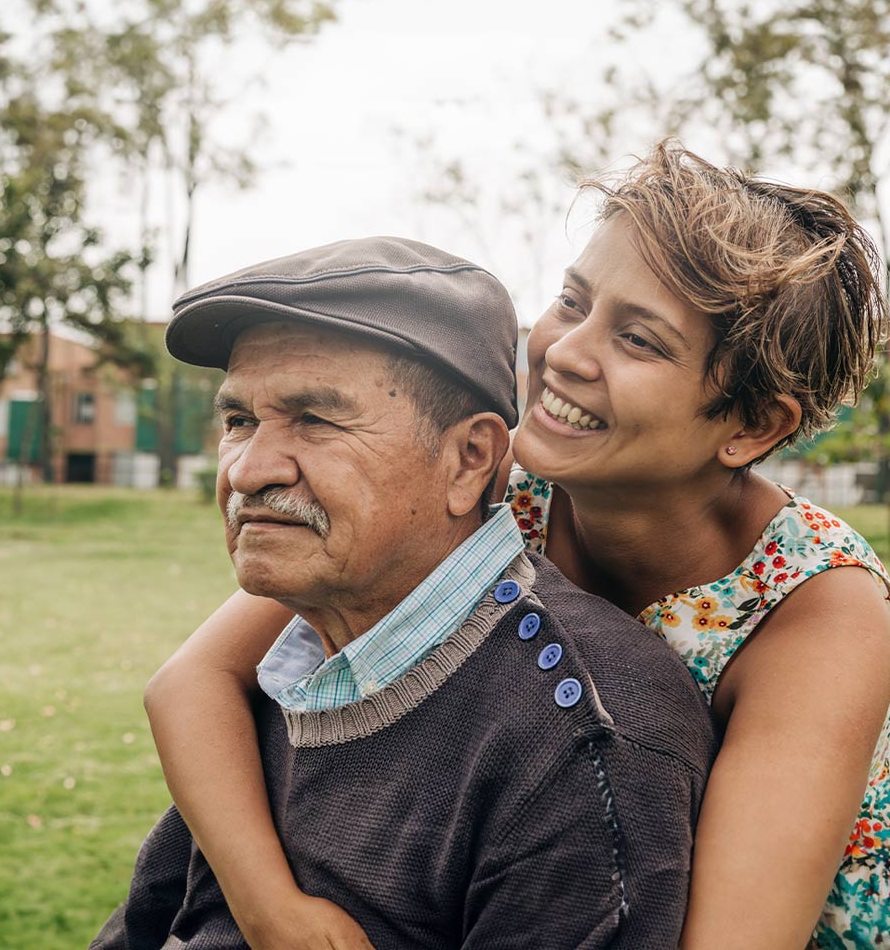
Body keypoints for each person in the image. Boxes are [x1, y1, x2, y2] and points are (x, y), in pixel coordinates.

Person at [144, 142, 890, 950]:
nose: (565, 351)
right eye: (574, 301)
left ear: (751, 426)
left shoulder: (821, 611)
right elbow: (193, 682)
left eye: (638, 340)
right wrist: (272, 911)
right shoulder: (511, 481)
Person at [92, 236, 717, 949]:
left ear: (469, 459)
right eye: (239, 421)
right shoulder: (302, 655)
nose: (248, 470)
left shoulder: (585, 744)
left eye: (317, 420)